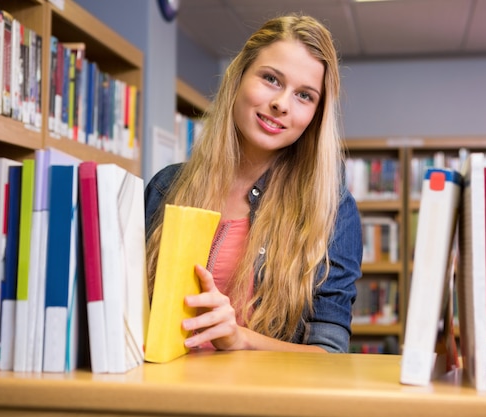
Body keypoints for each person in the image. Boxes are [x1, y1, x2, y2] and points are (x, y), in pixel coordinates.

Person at [144, 13, 362, 353]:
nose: (281, 104)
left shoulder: (331, 209)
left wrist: (240, 339)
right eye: (272, 79)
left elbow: (330, 354)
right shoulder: (165, 187)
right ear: (239, 77)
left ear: (315, 117)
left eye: (304, 96)